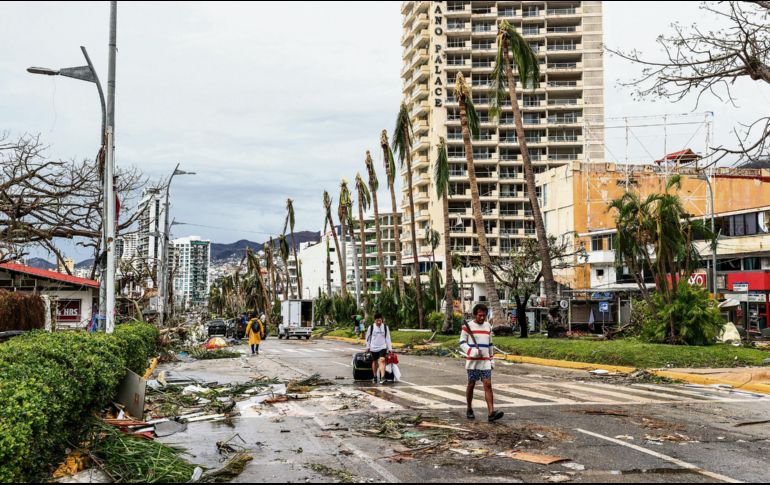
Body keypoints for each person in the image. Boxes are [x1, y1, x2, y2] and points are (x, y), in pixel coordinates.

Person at [460, 304, 504, 423]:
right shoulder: (467, 326)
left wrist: (491, 359)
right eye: (480, 315)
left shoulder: (488, 326)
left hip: (485, 361)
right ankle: (469, 408)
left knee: (488, 385)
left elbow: (490, 344)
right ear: (475, 314)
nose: (482, 318)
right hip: (473, 362)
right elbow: (462, 342)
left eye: (484, 315)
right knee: (471, 384)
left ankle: (491, 413)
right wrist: (472, 351)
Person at [365, 313, 392, 385]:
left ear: (382, 320)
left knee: (382, 360)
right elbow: (368, 338)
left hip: (382, 347)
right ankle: (374, 376)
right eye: (377, 321)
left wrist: (389, 348)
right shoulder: (371, 327)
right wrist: (367, 347)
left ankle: (382, 377)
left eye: (380, 320)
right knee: (374, 361)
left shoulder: (385, 327)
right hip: (373, 347)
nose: (379, 322)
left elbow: (388, 338)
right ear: (374, 320)